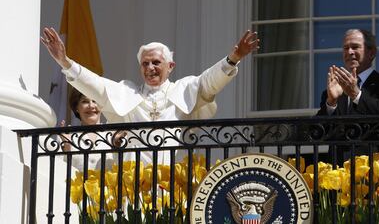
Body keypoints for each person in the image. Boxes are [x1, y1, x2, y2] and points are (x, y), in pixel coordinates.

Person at [42, 27, 259, 164]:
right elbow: (95, 86)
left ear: (170, 66)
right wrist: (65, 62)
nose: (150, 67)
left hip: (173, 181)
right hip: (134, 182)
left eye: (156, 62)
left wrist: (233, 58)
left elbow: (209, 81)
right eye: (145, 63)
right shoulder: (127, 93)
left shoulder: (184, 90)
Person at [316, 29, 379, 163]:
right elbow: (318, 133)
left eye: (355, 47)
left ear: (371, 53)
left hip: (378, 170)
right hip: (338, 173)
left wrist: (356, 94)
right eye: (346, 48)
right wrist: (331, 102)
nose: (349, 52)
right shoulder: (333, 91)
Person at [61, 89, 124, 171]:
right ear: (76, 107)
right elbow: (61, 171)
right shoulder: (68, 135)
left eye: (95, 101)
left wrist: (117, 147)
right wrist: (67, 148)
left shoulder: (113, 134)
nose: (91, 106)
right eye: (85, 101)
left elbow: (122, 168)